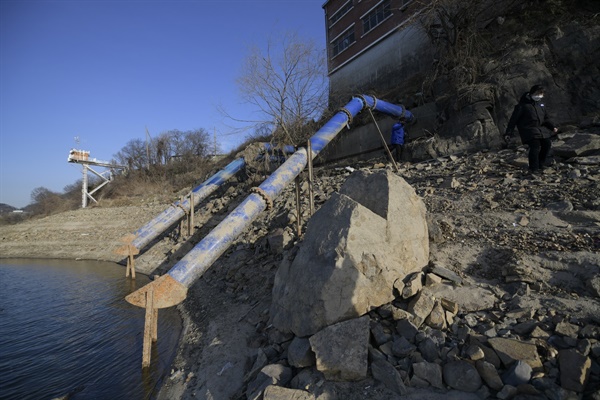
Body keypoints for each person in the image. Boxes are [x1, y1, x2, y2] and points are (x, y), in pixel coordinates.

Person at [504, 84, 558, 173]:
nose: (540, 95)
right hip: (528, 130)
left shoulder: (541, 105)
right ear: (532, 93)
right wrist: (508, 133)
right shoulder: (521, 106)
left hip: (541, 130)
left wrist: (552, 127)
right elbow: (513, 121)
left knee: (547, 144)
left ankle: (540, 164)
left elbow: (546, 118)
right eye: (538, 93)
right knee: (535, 146)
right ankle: (533, 168)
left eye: (541, 94)